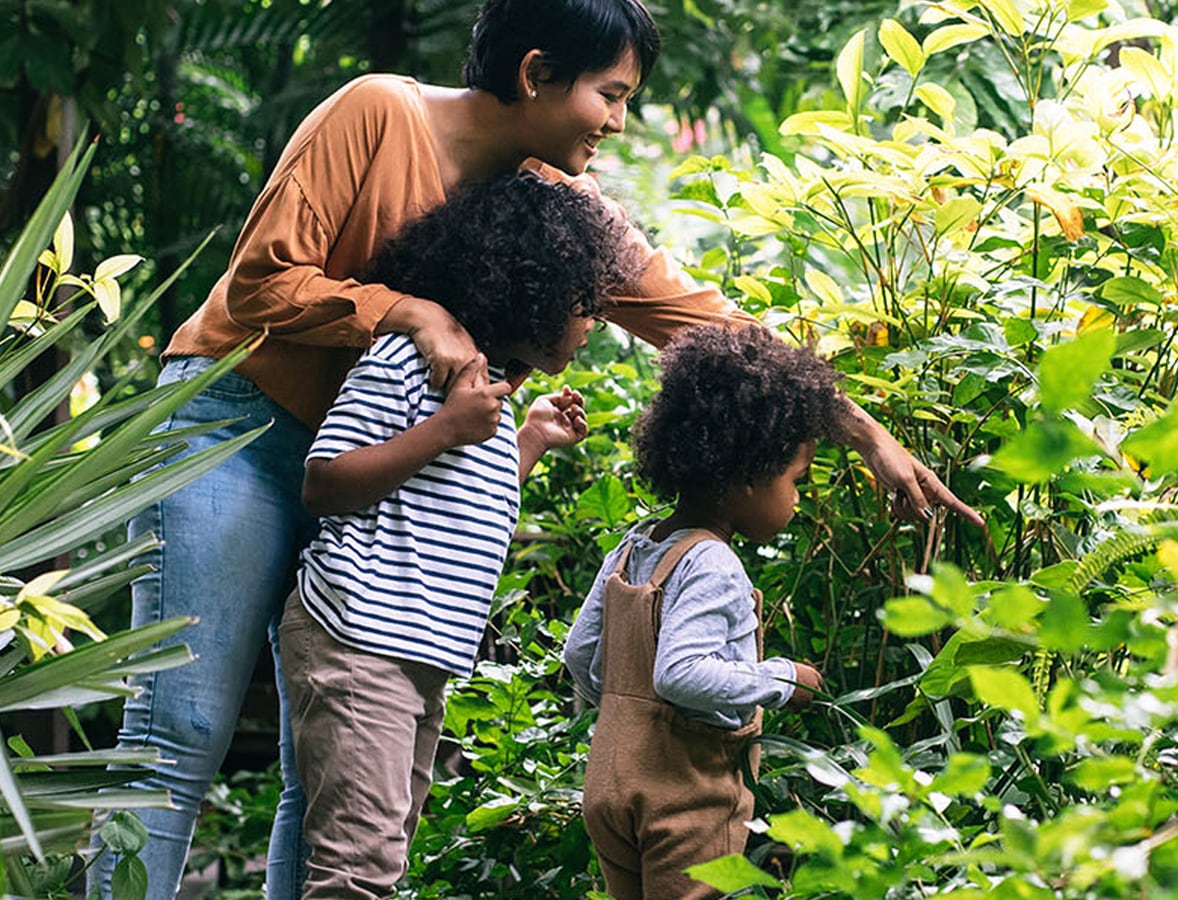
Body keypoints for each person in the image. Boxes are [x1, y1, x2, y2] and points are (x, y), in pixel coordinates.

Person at [90, 0, 981, 896]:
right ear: (535, 73)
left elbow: (703, 325)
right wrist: (409, 309)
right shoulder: (378, 112)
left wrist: (863, 431)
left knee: (320, 778)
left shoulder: (552, 206)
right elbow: (259, 285)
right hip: (243, 426)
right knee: (181, 730)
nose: (621, 121)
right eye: (611, 93)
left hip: (382, 483)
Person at [280, 171, 628, 898]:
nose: (591, 323)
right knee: (357, 869)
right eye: (582, 304)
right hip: (359, 638)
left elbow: (461, 504)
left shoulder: (491, 388)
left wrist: (526, 442)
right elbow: (326, 482)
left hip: (414, 653)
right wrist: (445, 428)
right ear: (525, 289)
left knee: (380, 862)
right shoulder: (413, 364)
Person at [564, 324, 839, 899]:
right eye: (795, 480)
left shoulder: (635, 545)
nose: (797, 497)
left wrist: (629, 718)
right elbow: (680, 674)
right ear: (746, 478)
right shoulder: (713, 563)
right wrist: (780, 680)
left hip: (609, 784)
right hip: (682, 794)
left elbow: (582, 655)